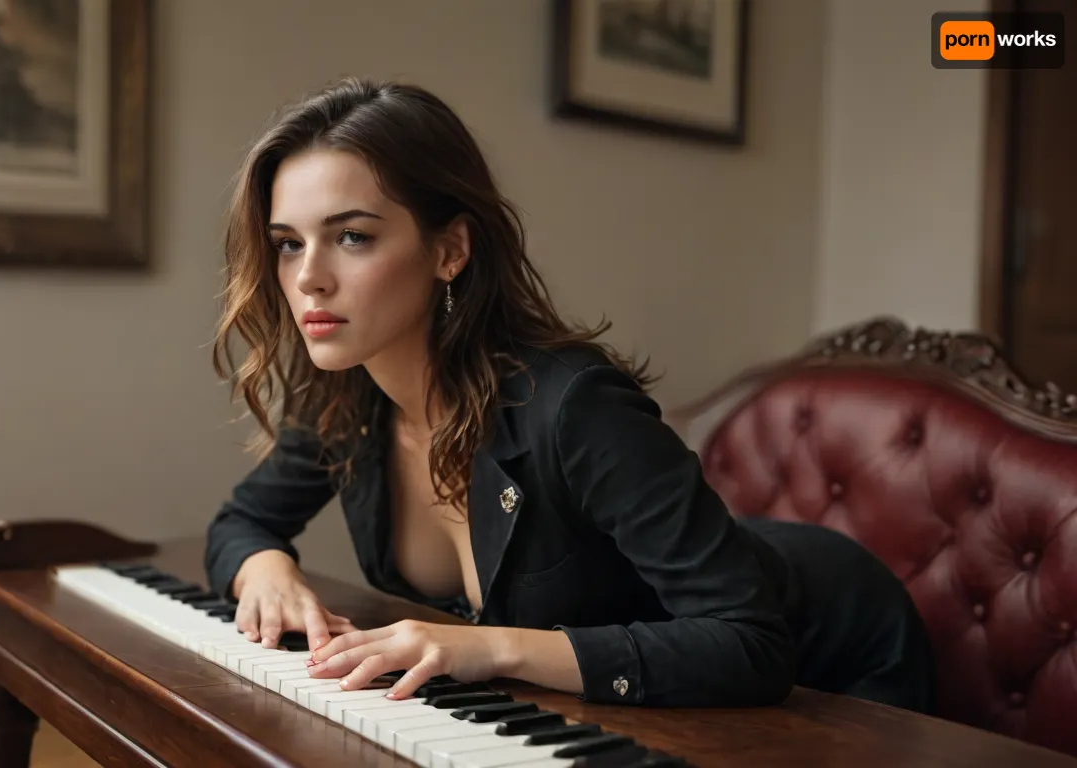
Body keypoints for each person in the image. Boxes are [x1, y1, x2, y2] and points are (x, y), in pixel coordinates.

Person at [203, 77, 936, 712]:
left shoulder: (575, 404)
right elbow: (242, 522)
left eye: (352, 237)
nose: (308, 279)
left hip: (837, 662)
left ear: (450, 249)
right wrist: (266, 569)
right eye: (288, 243)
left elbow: (750, 642)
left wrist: (490, 648)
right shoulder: (348, 405)